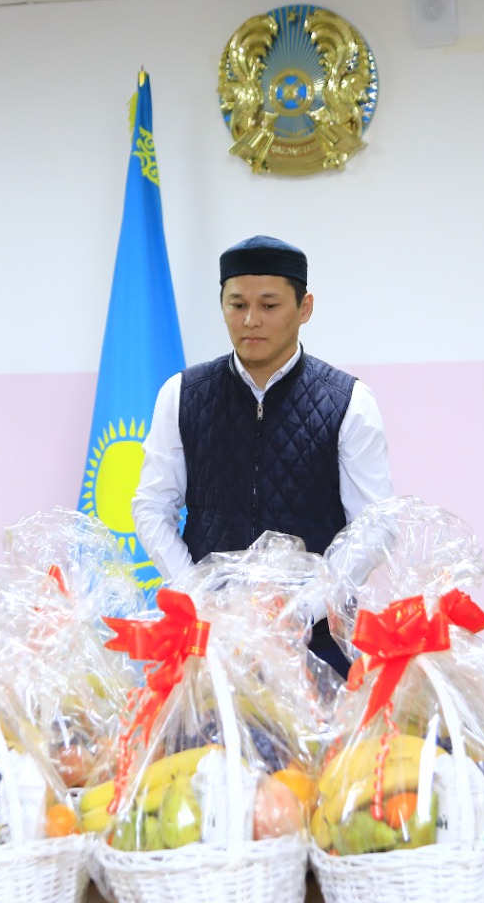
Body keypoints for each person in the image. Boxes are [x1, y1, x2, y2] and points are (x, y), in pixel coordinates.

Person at [132, 235, 393, 675]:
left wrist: (300, 610)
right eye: (237, 305)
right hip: (209, 642)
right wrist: (197, 595)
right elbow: (151, 506)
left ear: (305, 307)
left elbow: (375, 525)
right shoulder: (181, 395)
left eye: (269, 305)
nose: (251, 320)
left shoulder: (349, 401)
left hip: (317, 645)